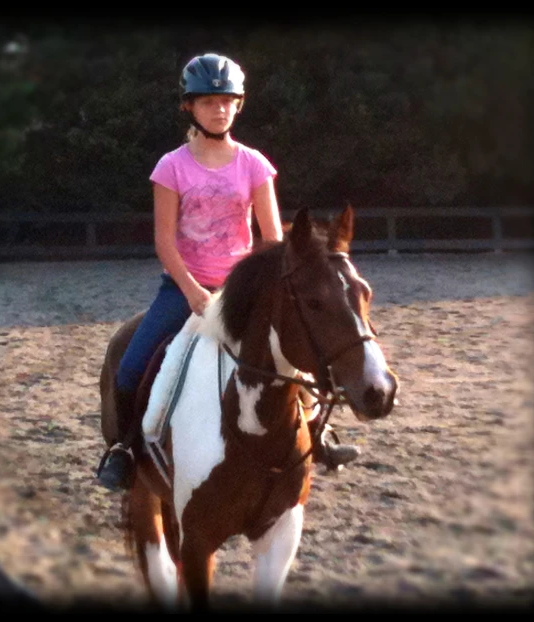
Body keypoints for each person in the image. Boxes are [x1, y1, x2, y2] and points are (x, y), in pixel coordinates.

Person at [96, 53, 360, 491]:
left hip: (243, 288)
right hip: (184, 288)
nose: (218, 109)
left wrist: (266, 287)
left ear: (239, 105)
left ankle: (319, 433)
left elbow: (273, 238)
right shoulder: (171, 167)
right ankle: (123, 447)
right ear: (189, 107)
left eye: (227, 101)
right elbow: (165, 240)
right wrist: (194, 291)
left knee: (298, 355)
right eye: (207, 101)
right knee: (131, 364)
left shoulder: (254, 164)